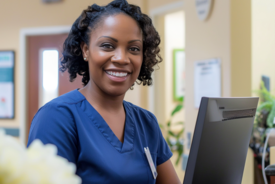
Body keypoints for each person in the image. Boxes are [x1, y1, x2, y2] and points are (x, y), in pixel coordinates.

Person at [27, 0, 181, 183]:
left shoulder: (146, 123)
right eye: (108, 45)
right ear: (86, 50)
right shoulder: (57, 118)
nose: (122, 58)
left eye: (134, 48)